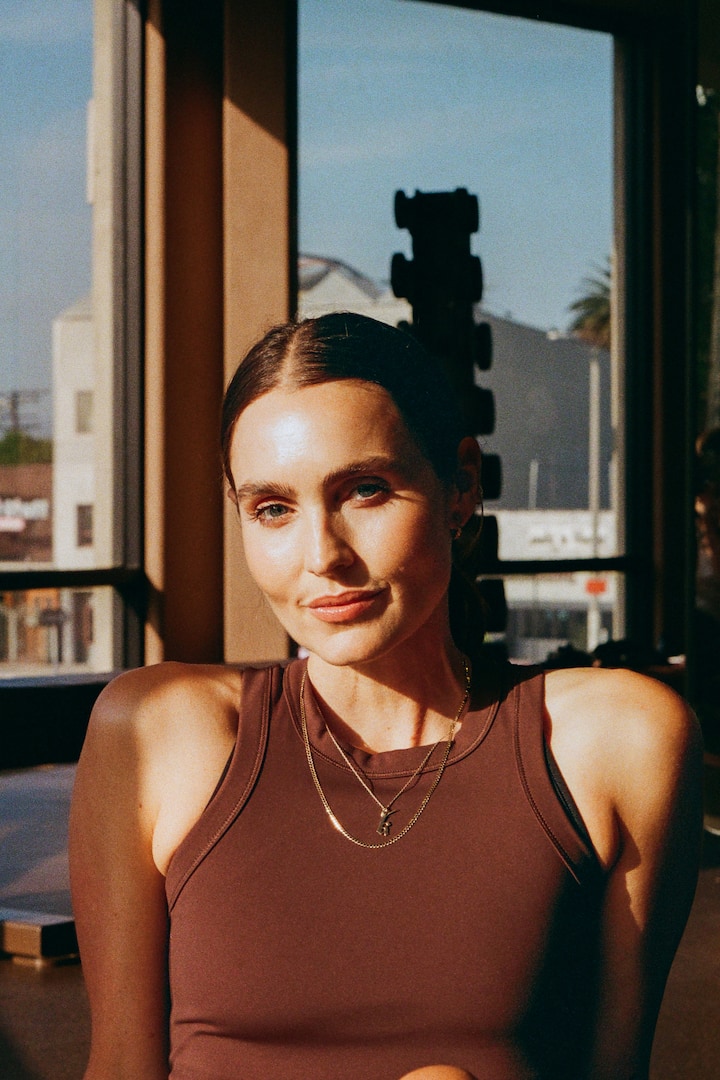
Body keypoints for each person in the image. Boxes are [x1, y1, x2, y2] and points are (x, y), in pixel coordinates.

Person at [70, 312, 702, 1080]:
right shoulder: (156, 733)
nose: (322, 556)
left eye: (366, 491)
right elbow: (120, 1066)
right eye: (273, 509)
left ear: (461, 486)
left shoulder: (616, 742)